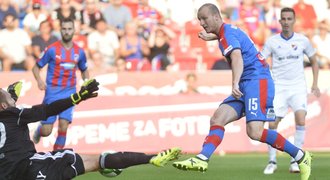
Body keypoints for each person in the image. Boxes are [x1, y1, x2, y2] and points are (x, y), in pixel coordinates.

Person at [172, 3, 312, 180]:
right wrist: (214, 37)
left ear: (216, 17)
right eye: (199, 19)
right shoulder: (225, 32)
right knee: (218, 118)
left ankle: (300, 156)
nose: (201, 23)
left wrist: (235, 83)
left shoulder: (227, 35)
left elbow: (237, 57)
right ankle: (202, 158)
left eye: (204, 18)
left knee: (255, 132)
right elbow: (235, 42)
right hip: (248, 82)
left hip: (257, 81)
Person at [0, 80, 182, 180]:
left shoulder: (9, 114)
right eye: (10, 99)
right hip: (30, 167)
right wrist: (77, 97)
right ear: (4, 105)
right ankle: (152, 158)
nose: (13, 101)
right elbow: (48, 109)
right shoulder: (14, 114)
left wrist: (10, 95)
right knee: (95, 161)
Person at [261, 7, 320, 175]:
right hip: (278, 87)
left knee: (300, 120)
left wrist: (314, 83)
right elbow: (261, 61)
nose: (286, 22)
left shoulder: (303, 40)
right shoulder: (272, 42)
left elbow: (314, 61)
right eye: (283, 19)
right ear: (279, 21)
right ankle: (272, 161)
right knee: (272, 124)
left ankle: (296, 160)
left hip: (298, 87)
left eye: (289, 19)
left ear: (294, 21)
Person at [32, 18, 90, 150]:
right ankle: (39, 130)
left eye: (69, 29)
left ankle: (56, 156)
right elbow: (36, 67)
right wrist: (39, 81)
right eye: (64, 29)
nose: (67, 31)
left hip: (69, 92)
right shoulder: (52, 49)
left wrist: (86, 82)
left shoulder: (79, 52)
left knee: (64, 125)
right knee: (47, 131)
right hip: (52, 92)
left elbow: (84, 70)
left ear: (74, 30)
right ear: (60, 30)